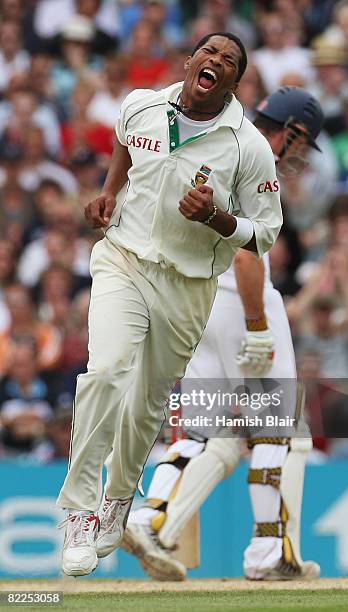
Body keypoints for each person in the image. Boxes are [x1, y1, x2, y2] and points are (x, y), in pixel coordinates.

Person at [57, 32, 284, 577]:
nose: (216, 62)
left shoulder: (246, 146)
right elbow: (123, 142)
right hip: (124, 259)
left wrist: (214, 218)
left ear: (233, 82)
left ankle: (118, 501)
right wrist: (110, 193)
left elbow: (265, 235)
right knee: (106, 370)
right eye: (210, 52)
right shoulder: (141, 104)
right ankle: (79, 510)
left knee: (147, 406)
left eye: (229, 62)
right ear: (190, 61)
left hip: (188, 284)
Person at [121, 87, 324, 581]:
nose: (300, 156)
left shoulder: (213, 141)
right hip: (239, 302)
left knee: (207, 432)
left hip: (193, 305)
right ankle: (269, 553)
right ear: (291, 131)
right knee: (279, 433)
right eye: (302, 142)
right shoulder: (258, 158)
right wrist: (257, 326)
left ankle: (152, 519)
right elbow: (246, 250)